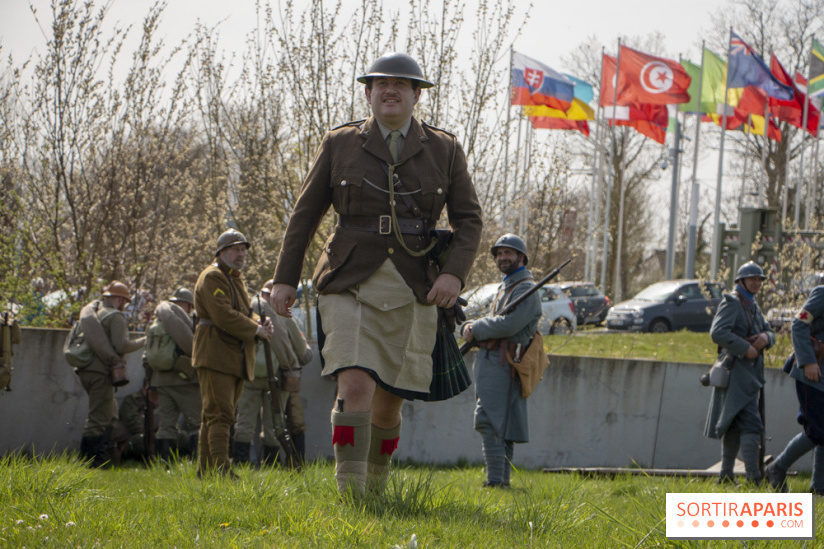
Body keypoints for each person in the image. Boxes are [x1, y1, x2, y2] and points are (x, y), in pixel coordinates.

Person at [269, 52, 483, 494]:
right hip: (348, 280)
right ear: (368, 93)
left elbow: (469, 220)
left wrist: (454, 276)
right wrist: (285, 277)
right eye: (381, 84)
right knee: (354, 380)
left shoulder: (445, 148)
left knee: (389, 402)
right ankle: (350, 491)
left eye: (401, 85)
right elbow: (304, 215)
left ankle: (376, 489)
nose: (390, 90)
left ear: (417, 95)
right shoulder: (340, 143)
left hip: (414, 284)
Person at [461, 234, 542, 488]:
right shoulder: (507, 286)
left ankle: (495, 481)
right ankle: (500, 481)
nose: (502, 257)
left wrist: (477, 327)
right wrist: (468, 325)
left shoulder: (525, 289)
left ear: (521, 257)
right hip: (493, 361)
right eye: (499, 253)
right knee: (498, 422)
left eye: (508, 253)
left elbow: (510, 324)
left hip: (504, 362)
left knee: (491, 420)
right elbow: (493, 318)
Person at [193, 229, 273, 476]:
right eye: (236, 249)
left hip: (230, 355)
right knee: (220, 414)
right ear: (222, 252)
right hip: (216, 353)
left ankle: (206, 471)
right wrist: (256, 330)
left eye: (243, 249)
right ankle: (221, 469)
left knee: (214, 416)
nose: (241, 254)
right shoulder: (213, 277)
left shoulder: (232, 277)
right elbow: (223, 315)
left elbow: (243, 312)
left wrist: (260, 322)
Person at [704, 261, 775, 483]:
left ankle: (725, 476)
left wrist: (766, 338)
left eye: (759, 279)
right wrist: (746, 349)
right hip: (736, 373)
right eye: (752, 279)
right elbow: (717, 333)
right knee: (752, 425)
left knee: (734, 424)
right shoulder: (733, 303)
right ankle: (754, 477)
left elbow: (769, 331)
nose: (756, 283)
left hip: (749, 375)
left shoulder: (753, 305)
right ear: (741, 281)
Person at [235, 281, 313, 466]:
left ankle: (241, 464)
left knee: (244, 422)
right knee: (274, 425)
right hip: (277, 378)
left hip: (249, 374)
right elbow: (304, 354)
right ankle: (271, 466)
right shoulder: (286, 318)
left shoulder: (245, 314)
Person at [75, 281, 146, 467]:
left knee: (108, 413)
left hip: (86, 370)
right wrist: (144, 340)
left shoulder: (95, 314)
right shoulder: (115, 317)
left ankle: (101, 459)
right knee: (98, 417)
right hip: (101, 372)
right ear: (121, 299)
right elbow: (121, 345)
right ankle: (90, 462)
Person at [766, 275, 824, 493]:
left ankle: (819, 488)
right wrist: (808, 361)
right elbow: (799, 324)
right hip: (813, 372)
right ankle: (777, 468)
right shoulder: (822, 294)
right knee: (817, 430)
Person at [146, 288, 200, 461]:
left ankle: (164, 463)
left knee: (166, 424)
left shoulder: (156, 323)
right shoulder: (187, 324)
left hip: (161, 380)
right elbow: (195, 349)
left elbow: (146, 357)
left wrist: (151, 383)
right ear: (187, 304)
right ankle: (197, 462)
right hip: (184, 380)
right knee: (196, 422)